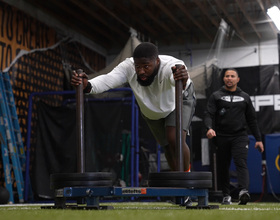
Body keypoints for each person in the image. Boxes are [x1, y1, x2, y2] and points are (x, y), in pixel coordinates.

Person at [71, 42, 196, 173]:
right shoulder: (128, 67)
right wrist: (88, 85)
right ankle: (178, 179)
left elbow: (177, 79)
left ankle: (186, 177)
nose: (141, 71)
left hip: (178, 100)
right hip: (152, 111)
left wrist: (182, 78)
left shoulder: (171, 67)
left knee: (174, 139)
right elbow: (108, 79)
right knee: (167, 146)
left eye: (146, 66)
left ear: (157, 61)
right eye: (138, 67)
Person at [204, 68, 264, 205]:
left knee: (241, 162)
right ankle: (226, 195)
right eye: (227, 76)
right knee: (223, 166)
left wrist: (259, 139)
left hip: (240, 137)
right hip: (221, 137)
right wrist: (209, 128)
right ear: (223, 79)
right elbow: (208, 114)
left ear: (238, 79)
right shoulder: (216, 96)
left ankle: (243, 192)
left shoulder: (245, 97)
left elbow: (252, 120)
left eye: (232, 76)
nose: (229, 78)